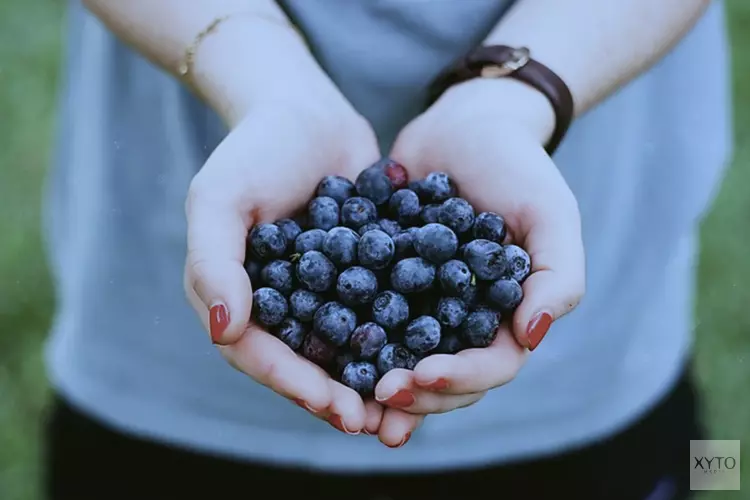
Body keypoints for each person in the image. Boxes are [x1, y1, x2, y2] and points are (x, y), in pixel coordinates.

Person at [43, 0, 731, 499]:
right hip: (164, 376)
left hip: (594, 375)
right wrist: (255, 69)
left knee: (682, 470)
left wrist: (516, 96)